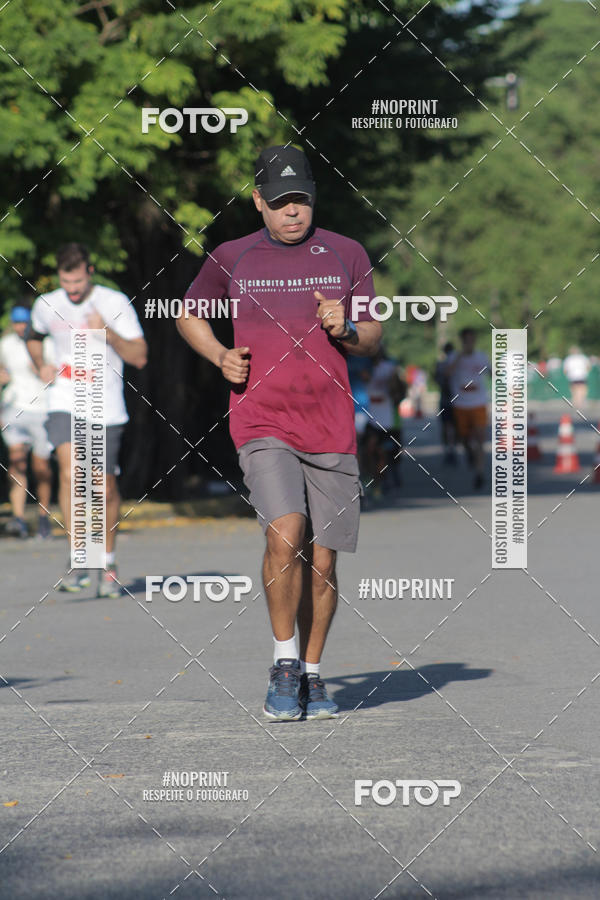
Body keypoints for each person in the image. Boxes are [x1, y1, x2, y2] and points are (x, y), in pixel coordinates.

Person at [177, 145, 381, 721]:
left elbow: (373, 335)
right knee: (285, 533)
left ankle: (312, 674)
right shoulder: (231, 256)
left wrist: (347, 328)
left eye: (302, 200)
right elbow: (188, 314)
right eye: (282, 201)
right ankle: (284, 663)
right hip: (261, 419)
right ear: (258, 201)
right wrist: (220, 356)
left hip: (330, 424)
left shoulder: (346, 253)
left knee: (325, 561)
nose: (293, 211)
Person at [26, 243, 147, 595]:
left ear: (90, 272)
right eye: (66, 282)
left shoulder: (114, 302)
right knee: (71, 473)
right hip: (64, 398)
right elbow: (33, 337)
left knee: (102, 487)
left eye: (78, 282)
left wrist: (106, 331)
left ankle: (107, 561)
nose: (73, 290)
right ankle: (79, 556)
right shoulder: (46, 304)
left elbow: (140, 356)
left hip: (105, 405)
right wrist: (40, 364)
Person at [0, 306, 53, 539]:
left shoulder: (46, 343)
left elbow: (60, 374)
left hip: (42, 409)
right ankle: (19, 518)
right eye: (16, 322)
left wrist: (42, 368)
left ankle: (43, 516)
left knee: (41, 467)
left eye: (24, 322)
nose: (21, 327)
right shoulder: (6, 344)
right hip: (13, 408)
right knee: (16, 460)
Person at [444, 328, 491, 490]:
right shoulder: (453, 357)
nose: (469, 343)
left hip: (478, 402)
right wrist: (460, 356)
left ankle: (479, 472)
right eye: (466, 340)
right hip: (460, 403)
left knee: (480, 436)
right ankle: (469, 451)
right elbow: (447, 374)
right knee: (463, 437)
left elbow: (492, 373)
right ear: (462, 341)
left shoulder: (481, 356)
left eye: (472, 340)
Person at [363, 348, 405, 498]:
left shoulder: (390, 368)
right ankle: (375, 479)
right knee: (370, 450)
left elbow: (399, 391)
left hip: (388, 420)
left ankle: (386, 477)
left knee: (386, 453)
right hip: (368, 418)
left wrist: (394, 383)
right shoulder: (362, 367)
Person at [434, 342, 457, 465]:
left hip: (448, 400)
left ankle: (449, 449)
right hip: (451, 400)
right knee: (449, 426)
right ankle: (450, 449)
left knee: (447, 426)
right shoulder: (445, 364)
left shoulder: (443, 364)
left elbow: (437, 379)